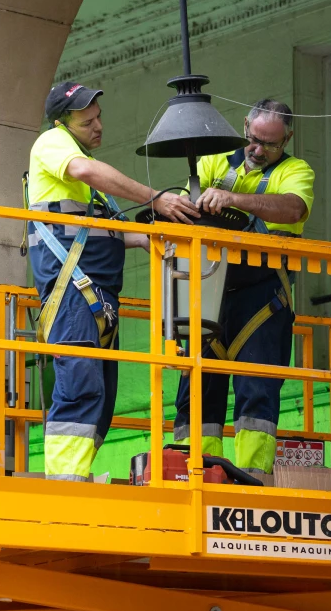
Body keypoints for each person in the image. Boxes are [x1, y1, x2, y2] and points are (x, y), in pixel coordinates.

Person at [28, 81, 199, 481]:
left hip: (97, 297)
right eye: (87, 122)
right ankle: (67, 485)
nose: (98, 126)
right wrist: (156, 198)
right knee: (80, 385)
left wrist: (158, 239)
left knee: (100, 393)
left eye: (99, 117)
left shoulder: (93, 195)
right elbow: (85, 167)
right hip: (74, 292)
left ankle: (77, 475)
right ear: (62, 124)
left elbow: (112, 234)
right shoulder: (51, 143)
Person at [173, 99, 315, 473]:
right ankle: (196, 472)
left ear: (287, 140)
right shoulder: (214, 160)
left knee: (257, 389)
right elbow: (189, 203)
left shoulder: (296, 171)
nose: (258, 150)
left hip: (263, 298)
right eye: (253, 139)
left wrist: (233, 199)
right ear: (245, 126)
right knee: (198, 391)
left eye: (271, 144)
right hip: (210, 292)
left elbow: (292, 209)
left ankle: (253, 478)